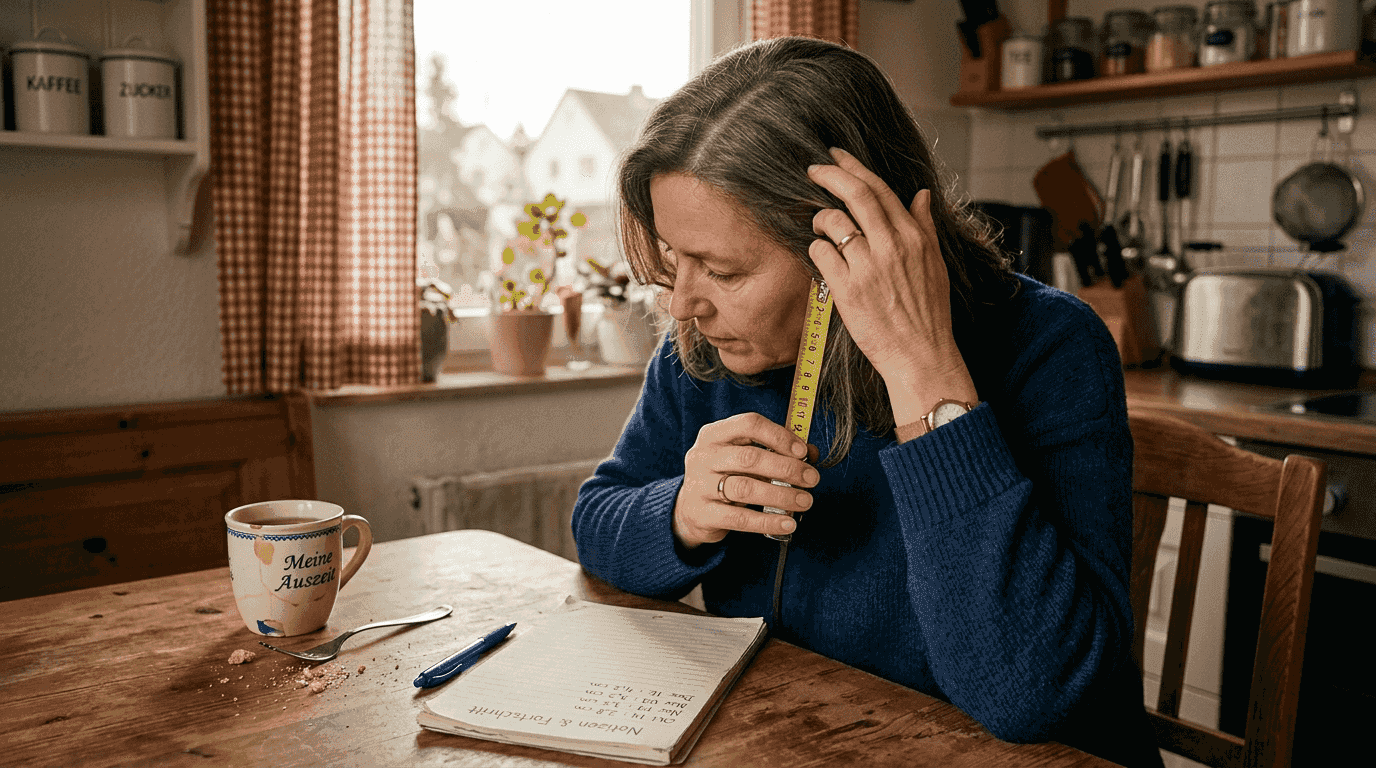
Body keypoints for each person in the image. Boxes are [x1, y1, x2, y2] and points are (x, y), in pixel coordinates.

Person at [571, 36, 1162, 768]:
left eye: (720, 269)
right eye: (671, 258)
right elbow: (596, 521)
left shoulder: (1050, 346)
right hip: (805, 742)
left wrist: (923, 368)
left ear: (850, 243)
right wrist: (682, 515)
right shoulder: (703, 349)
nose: (684, 302)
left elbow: (1032, 695)